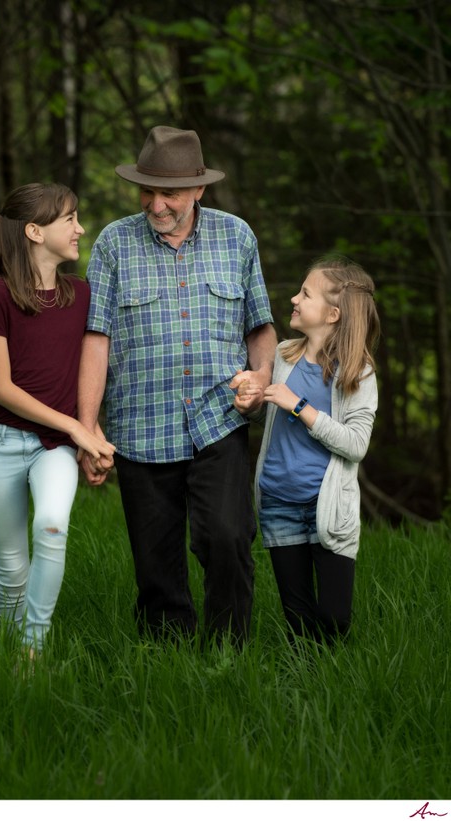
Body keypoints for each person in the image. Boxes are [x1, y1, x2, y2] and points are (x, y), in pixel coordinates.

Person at [78, 126, 277, 646]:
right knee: (156, 564)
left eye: (169, 193)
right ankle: (166, 664)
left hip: (219, 418)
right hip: (141, 425)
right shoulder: (113, 244)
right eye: (148, 190)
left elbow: (260, 327)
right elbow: (95, 338)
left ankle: (228, 656)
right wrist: (87, 428)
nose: (156, 203)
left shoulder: (237, 236)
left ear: (199, 190)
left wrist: (260, 379)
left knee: (229, 536)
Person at [0, 182, 116, 662]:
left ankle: (31, 653)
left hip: (54, 446)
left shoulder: (83, 295)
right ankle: (7, 657)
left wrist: (88, 431)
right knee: (11, 567)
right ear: (34, 231)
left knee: (52, 527)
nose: (80, 229)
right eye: (69, 220)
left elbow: (88, 373)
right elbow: (2, 388)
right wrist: (77, 427)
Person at [235, 255, 380, 644]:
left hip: (326, 507)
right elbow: (270, 420)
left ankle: (338, 686)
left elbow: (356, 445)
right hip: (278, 500)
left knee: (335, 620)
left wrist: (299, 406)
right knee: (298, 624)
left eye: (305, 294)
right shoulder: (284, 356)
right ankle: (306, 691)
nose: (294, 300)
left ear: (333, 314)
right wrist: (251, 404)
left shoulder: (358, 374)